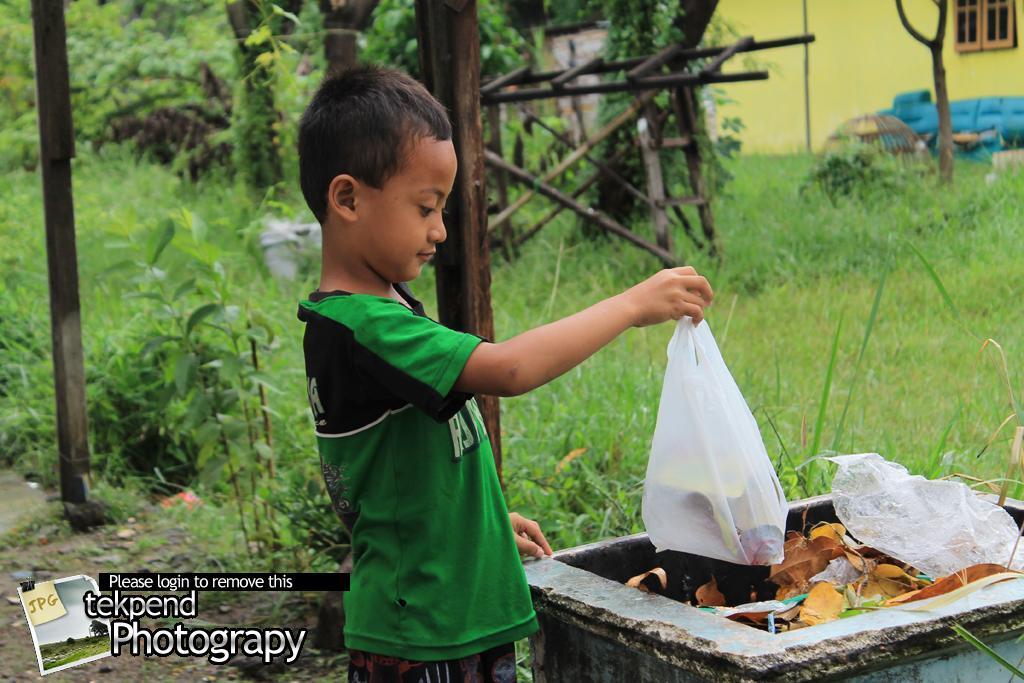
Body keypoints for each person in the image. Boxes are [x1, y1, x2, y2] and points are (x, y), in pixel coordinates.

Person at [296, 65, 713, 683]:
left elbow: (405, 470)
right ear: (348, 199)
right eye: (425, 207)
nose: (439, 230)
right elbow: (510, 368)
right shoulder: (367, 328)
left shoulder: (380, 313)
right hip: (424, 636)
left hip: (453, 613)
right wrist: (629, 306)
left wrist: (483, 520)